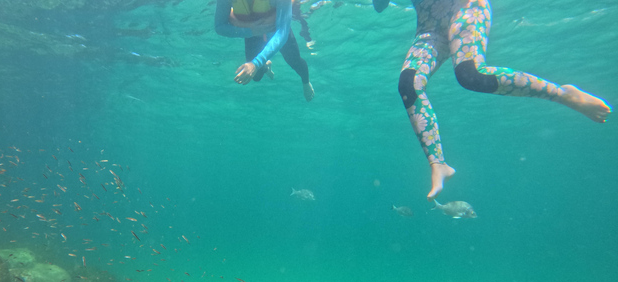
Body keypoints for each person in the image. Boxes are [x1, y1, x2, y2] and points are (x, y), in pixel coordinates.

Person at [374, 0, 612, 200]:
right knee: (408, 84)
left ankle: (563, 94)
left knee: (470, 75)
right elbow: (379, 6)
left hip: (465, 8)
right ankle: (438, 164)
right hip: (429, 29)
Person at [215, 0, 315, 101]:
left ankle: (306, 82)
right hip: (252, 30)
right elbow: (219, 26)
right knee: (256, 77)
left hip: (274, 27)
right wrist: (250, 31)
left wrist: (256, 63)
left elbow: (282, 33)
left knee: (295, 61)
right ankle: (266, 67)